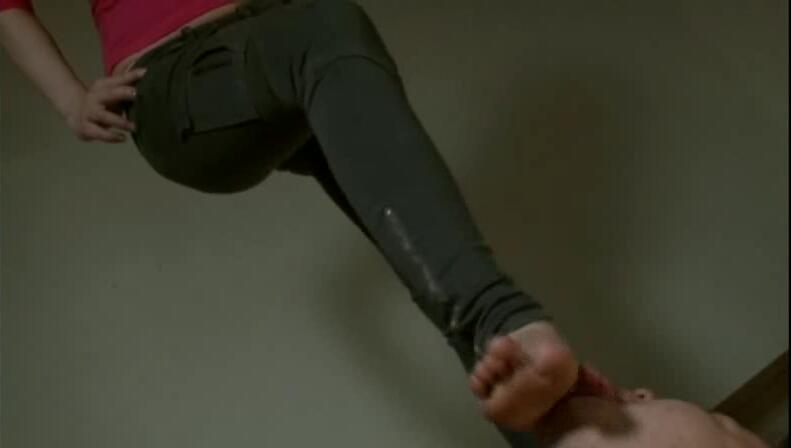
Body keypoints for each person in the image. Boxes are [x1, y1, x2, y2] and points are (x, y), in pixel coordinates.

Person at [0, 1, 770, 447]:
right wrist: (70, 100)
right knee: (326, 29)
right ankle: (511, 330)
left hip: (273, 49)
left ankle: (572, 427)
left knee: (430, 254)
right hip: (179, 81)